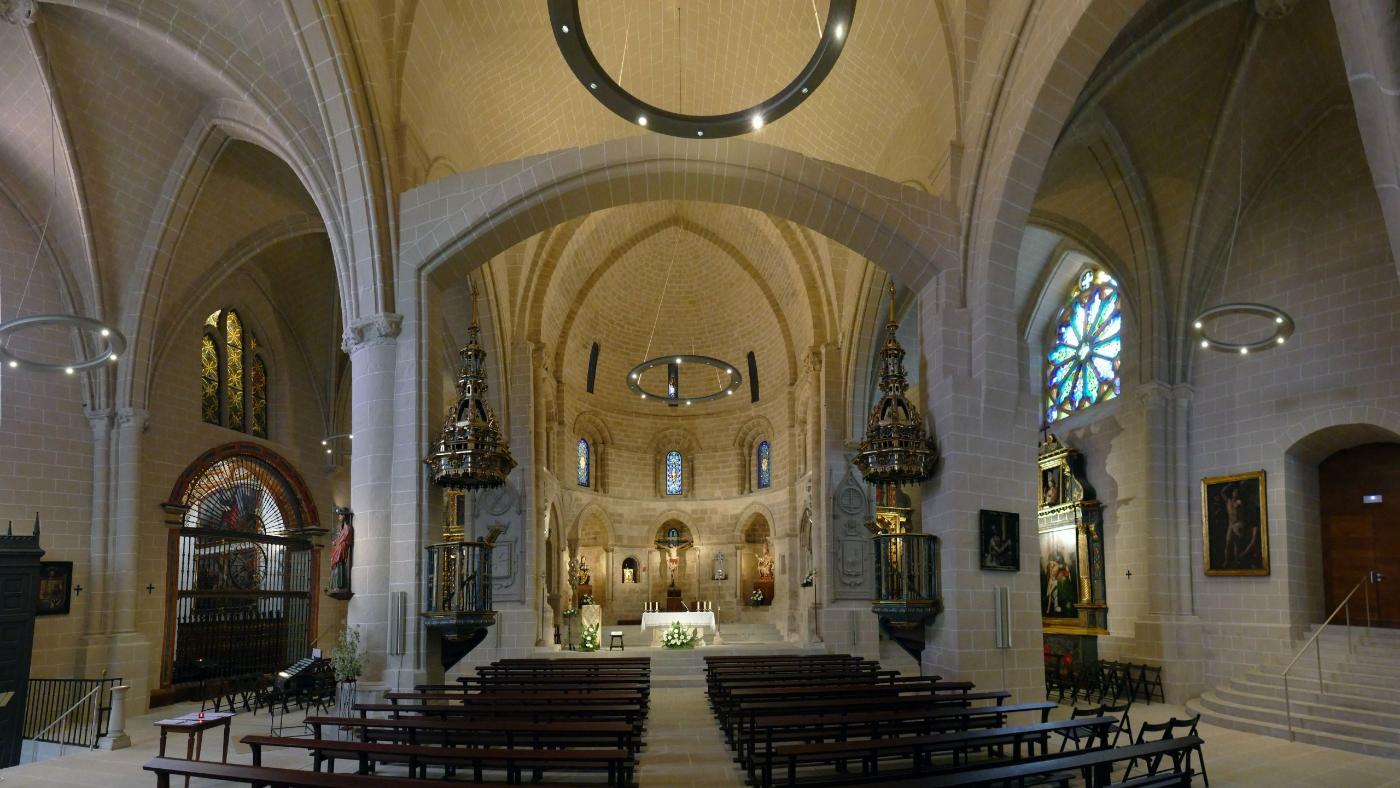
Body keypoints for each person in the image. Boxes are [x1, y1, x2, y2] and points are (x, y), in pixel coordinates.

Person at [1220, 483, 1259, 568]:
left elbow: (1242, 513)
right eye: (1234, 492)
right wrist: (1229, 484)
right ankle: (1226, 561)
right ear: (1232, 493)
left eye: (1237, 492)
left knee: (1236, 543)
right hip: (1231, 524)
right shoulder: (1228, 501)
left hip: (1238, 523)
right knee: (1228, 543)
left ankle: (1237, 560)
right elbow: (1222, 492)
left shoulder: (1239, 502)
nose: (1236, 494)